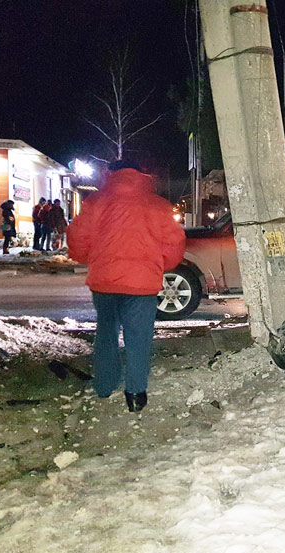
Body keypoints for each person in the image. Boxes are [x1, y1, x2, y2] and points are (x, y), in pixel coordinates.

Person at [66, 159, 185, 412]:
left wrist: (92, 258)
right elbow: (174, 245)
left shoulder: (96, 202)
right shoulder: (158, 205)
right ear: (142, 175)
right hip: (142, 285)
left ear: (112, 173)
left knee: (106, 335)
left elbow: (77, 238)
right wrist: (157, 264)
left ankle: (104, 387)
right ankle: (135, 394)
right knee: (139, 338)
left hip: (104, 282)